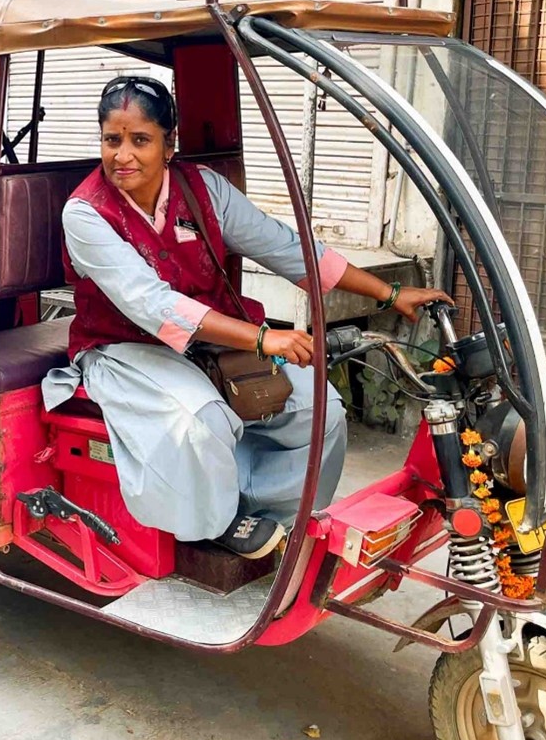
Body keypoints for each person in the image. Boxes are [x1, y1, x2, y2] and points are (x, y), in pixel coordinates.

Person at [43, 77, 452, 559]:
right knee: (203, 419)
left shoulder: (203, 191)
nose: (123, 156)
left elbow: (283, 247)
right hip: (124, 347)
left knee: (319, 410)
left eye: (140, 140)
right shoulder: (86, 213)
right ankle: (213, 524)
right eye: (112, 140)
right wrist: (263, 340)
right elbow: (151, 305)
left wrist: (390, 293)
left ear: (169, 145)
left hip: (211, 342)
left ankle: (274, 515)